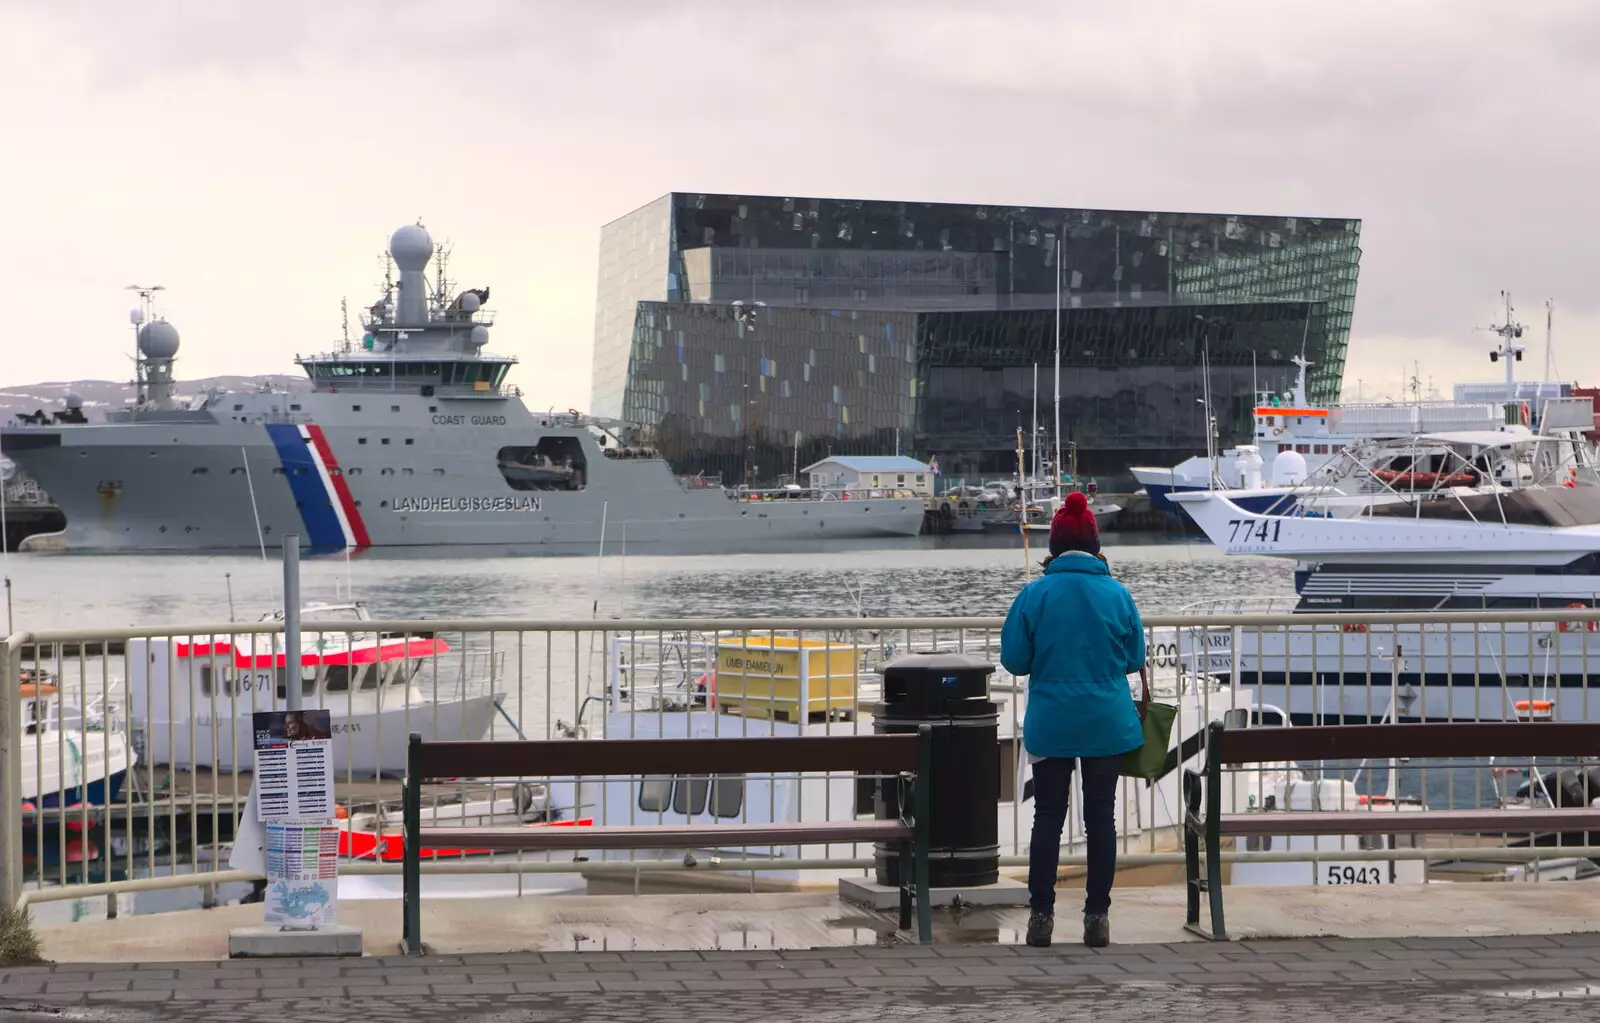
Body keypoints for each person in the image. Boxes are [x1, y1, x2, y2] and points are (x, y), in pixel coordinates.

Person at [1001, 491, 1148, 948]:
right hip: (1106, 721)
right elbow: (1134, 657)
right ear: (1095, 544)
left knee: (1047, 817)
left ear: (1055, 547)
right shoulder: (1118, 594)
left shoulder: (1034, 594)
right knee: (1101, 818)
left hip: (1052, 721)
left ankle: (1041, 917)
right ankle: (1097, 916)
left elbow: (1014, 660)